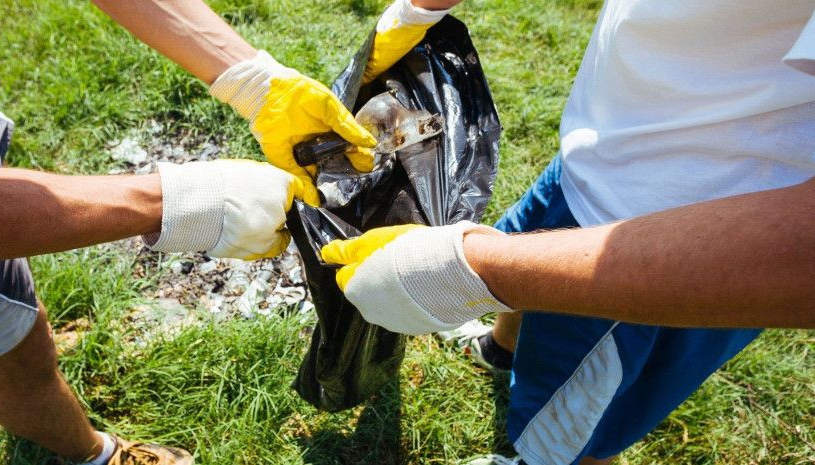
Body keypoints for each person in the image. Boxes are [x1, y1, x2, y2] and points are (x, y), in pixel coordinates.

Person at [0, 1, 384, 464]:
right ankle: (93, 453)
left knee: (9, 317)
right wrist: (182, 201)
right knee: (16, 356)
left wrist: (251, 78)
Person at [323, 0, 815, 464]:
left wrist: (475, 268)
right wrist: (417, 12)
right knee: (524, 252)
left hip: (681, 239)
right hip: (595, 154)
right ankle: (500, 351)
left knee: (577, 423)